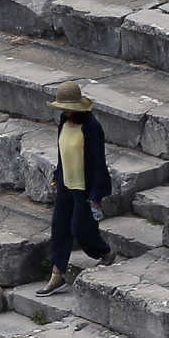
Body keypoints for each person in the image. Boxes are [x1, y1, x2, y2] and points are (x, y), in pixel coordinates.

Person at [38, 81, 113, 296]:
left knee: (81, 229)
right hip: (66, 184)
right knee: (59, 228)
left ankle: (105, 252)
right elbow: (63, 152)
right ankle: (57, 274)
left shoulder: (91, 127)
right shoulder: (64, 121)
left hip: (85, 188)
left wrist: (96, 194)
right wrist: (57, 175)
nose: (63, 111)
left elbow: (99, 162)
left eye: (66, 107)